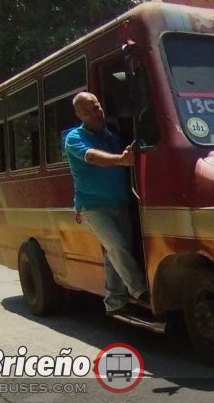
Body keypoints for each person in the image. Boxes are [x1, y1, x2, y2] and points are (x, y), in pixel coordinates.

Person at [64, 91, 148, 317]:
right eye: (90, 109)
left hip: (120, 203)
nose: (97, 111)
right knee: (117, 246)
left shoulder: (112, 137)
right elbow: (91, 157)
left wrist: (128, 154)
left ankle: (114, 302)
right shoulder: (74, 138)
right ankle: (140, 290)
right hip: (92, 207)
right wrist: (121, 160)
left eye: (98, 106)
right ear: (79, 114)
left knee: (114, 252)